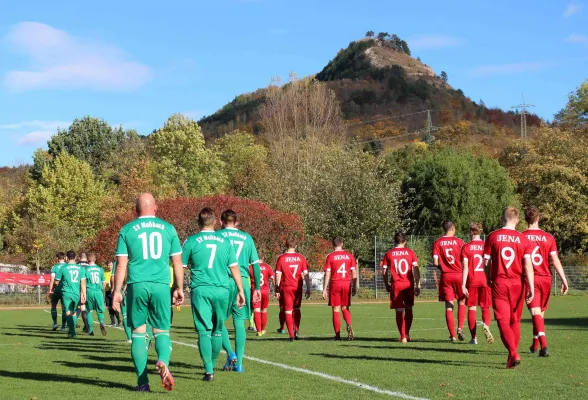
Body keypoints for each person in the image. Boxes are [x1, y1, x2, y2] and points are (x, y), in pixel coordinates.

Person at [112, 193, 184, 392]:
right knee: (161, 331)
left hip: (137, 285)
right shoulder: (169, 229)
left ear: (136, 210)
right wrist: (178, 287)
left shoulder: (127, 230)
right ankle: (162, 360)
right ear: (156, 208)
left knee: (138, 334)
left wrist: (117, 291)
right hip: (161, 285)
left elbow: (121, 265)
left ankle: (143, 382)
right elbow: (177, 263)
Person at [181, 208, 246, 382]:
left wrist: (177, 288)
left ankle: (209, 369)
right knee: (217, 330)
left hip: (201, 289)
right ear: (215, 222)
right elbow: (234, 268)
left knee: (204, 331)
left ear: (198, 222)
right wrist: (240, 290)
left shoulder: (192, 240)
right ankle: (214, 364)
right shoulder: (225, 241)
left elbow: (180, 266)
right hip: (222, 290)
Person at [484, 207, 535, 369]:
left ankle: (513, 353)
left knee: (502, 321)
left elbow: (486, 262)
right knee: (515, 320)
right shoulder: (523, 239)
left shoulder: (493, 236)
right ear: (518, 220)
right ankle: (510, 356)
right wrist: (531, 287)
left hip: (500, 282)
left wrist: (488, 278)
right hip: (518, 284)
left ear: (501, 218)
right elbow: (528, 265)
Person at [217, 210, 261, 373]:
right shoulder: (247, 237)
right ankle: (239, 364)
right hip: (242, 280)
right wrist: (256, 288)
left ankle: (230, 353)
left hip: (223, 281)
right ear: (236, 223)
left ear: (221, 222)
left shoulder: (217, 236)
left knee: (218, 321)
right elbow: (255, 264)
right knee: (239, 322)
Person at [523, 207, 569, 357]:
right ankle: (534, 345)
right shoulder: (548, 237)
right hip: (546, 279)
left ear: (525, 219)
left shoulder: (521, 237)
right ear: (538, 219)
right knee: (539, 314)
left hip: (531, 279)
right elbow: (554, 260)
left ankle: (544, 346)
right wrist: (564, 279)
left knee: (535, 313)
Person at [382, 232, 421, 343]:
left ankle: (403, 336)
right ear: (405, 241)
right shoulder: (411, 253)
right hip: (408, 283)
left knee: (399, 310)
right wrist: (418, 285)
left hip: (397, 284)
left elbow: (384, 271)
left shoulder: (389, 254)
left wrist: (386, 284)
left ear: (394, 241)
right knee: (409, 308)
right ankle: (407, 334)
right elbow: (416, 270)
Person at [432, 221, 466, 342]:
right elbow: (464, 261)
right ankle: (460, 328)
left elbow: (435, 262)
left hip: (446, 276)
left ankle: (452, 336)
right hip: (459, 275)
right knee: (461, 302)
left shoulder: (437, 242)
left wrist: (444, 269)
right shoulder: (459, 242)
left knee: (448, 306)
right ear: (452, 228)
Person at [461, 223, 494, 345]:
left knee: (472, 308)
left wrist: (463, 284)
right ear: (480, 232)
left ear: (471, 232)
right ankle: (486, 325)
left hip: (472, 281)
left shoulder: (466, 247)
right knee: (485, 307)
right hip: (485, 280)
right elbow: (490, 263)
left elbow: (465, 267)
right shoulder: (487, 246)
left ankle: (474, 338)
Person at [275, 237, 311, 342]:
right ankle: (296, 330)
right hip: (297, 287)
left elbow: (278, 274)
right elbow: (305, 274)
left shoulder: (281, 258)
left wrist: (277, 288)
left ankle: (291, 335)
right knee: (297, 309)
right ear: (296, 246)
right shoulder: (301, 257)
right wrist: (308, 287)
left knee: (288, 311)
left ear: (286, 245)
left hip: (286, 287)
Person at [322, 237, 357, 341]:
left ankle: (337, 335)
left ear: (333, 244)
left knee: (336, 309)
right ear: (342, 243)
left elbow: (327, 273)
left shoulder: (330, 256)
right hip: (346, 283)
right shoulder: (349, 256)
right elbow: (354, 272)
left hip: (335, 283)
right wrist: (354, 286)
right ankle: (349, 324)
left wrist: (324, 289)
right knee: (345, 308)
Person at [54, 250, 86, 338]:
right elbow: (83, 282)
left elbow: (56, 282)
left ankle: (72, 332)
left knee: (68, 312)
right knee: (74, 312)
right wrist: (84, 295)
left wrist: (55, 286)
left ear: (66, 258)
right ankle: (72, 331)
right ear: (75, 257)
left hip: (66, 293)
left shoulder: (63, 268)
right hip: (76, 293)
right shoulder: (81, 268)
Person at [250, 252, 275, 336]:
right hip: (265, 291)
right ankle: (263, 329)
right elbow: (273, 278)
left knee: (256, 311)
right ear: (263, 258)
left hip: (256, 291)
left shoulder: (251, 267)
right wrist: (276, 289)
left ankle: (259, 331)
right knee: (264, 310)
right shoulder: (268, 267)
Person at [85, 253, 107, 336]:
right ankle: (101, 323)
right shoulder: (100, 269)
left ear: (87, 260)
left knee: (89, 311)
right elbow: (104, 283)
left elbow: (83, 282)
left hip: (89, 291)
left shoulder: (85, 269)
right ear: (95, 259)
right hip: (98, 292)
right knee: (100, 311)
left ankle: (90, 331)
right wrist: (102, 291)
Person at [48, 252, 67, 331]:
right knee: (64, 308)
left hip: (57, 289)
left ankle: (55, 324)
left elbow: (52, 279)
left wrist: (50, 290)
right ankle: (63, 326)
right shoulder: (67, 266)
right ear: (64, 257)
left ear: (57, 258)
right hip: (65, 290)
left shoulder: (55, 267)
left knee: (53, 306)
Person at [104, 261, 121, 327]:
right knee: (109, 307)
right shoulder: (105, 272)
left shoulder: (115, 272)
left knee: (114, 307)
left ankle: (119, 320)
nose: (109, 266)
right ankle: (113, 322)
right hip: (107, 291)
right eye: (108, 265)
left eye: (110, 265)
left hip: (114, 292)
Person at [77, 252, 90, 333]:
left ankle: (86, 326)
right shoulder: (90, 265)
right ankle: (86, 326)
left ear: (79, 257)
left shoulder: (77, 265)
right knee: (86, 307)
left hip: (79, 287)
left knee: (79, 306)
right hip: (89, 288)